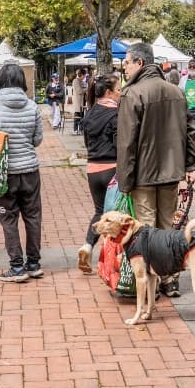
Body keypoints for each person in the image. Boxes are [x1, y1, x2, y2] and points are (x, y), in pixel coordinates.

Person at [117, 43, 195, 297]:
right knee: (167, 227)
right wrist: (192, 164)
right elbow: (190, 132)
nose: (125, 67)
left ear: (139, 63)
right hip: (171, 172)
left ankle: (150, 285)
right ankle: (170, 279)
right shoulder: (176, 92)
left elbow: (127, 143)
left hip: (142, 174)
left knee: (145, 230)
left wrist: (124, 181)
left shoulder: (132, 94)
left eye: (127, 62)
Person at [0, 63, 44, 283]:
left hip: (2, 172)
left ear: (0, 81)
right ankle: (33, 264)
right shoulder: (32, 106)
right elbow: (37, 140)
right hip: (30, 170)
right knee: (33, 216)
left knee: (7, 216)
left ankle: (16, 266)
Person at [77, 72, 120, 274]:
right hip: (112, 168)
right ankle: (110, 261)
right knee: (114, 216)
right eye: (118, 90)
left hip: (92, 169)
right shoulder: (116, 114)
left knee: (99, 211)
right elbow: (119, 143)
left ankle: (87, 246)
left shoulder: (90, 113)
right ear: (109, 92)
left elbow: (87, 143)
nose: (120, 93)